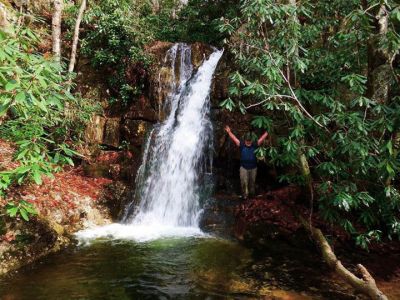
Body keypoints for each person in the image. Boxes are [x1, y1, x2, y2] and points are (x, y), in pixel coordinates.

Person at [225, 126, 268, 199]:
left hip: (253, 168)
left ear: (251, 140)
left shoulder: (255, 145)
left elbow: (261, 139)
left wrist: (267, 133)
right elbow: (234, 139)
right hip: (243, 168)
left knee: (252, 183)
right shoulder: (241, 145)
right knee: (244, 183)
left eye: (249, 140)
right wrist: (229, 132)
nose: (248, 142)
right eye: (247, 140)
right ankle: (245, 196)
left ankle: (252, 196)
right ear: (245, 140)